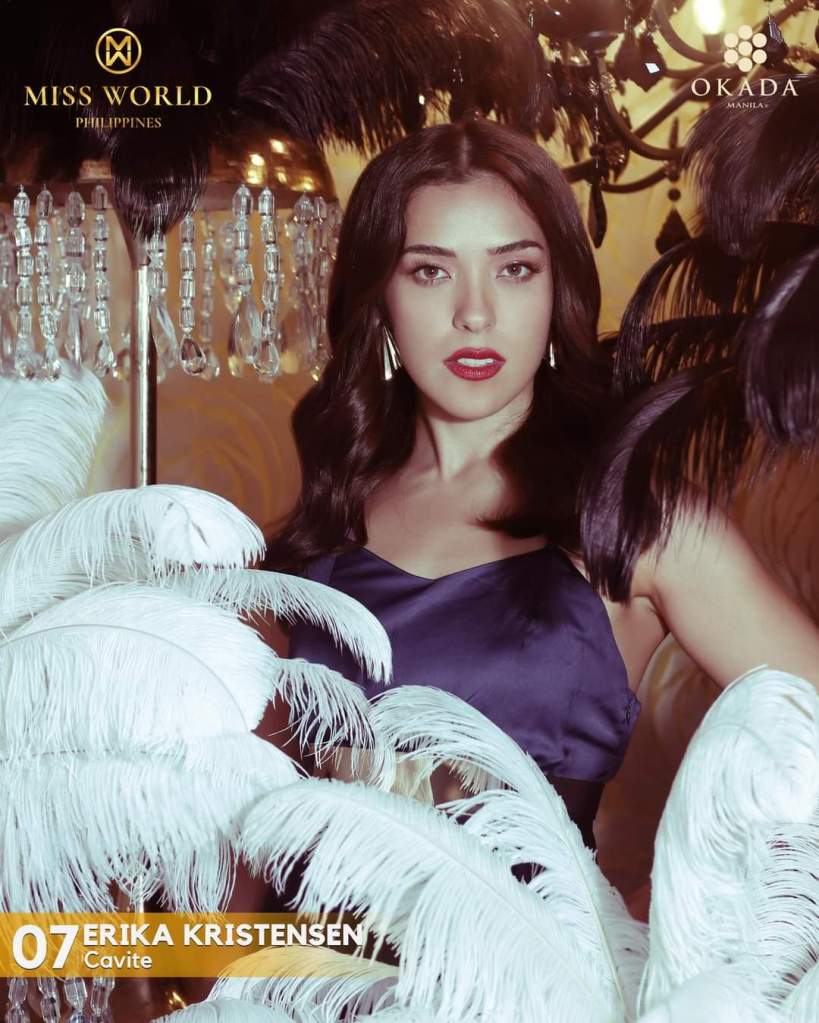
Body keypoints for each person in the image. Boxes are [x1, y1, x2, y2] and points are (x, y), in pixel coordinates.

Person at [264, 118, 819, 850]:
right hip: (300, 928)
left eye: (515, 269)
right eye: (430, 271)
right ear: (382, 303)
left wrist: (674, 905)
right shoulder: (327, 523)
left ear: (557, 290)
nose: (475, 313)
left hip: (534, 927)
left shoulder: (634, 515)